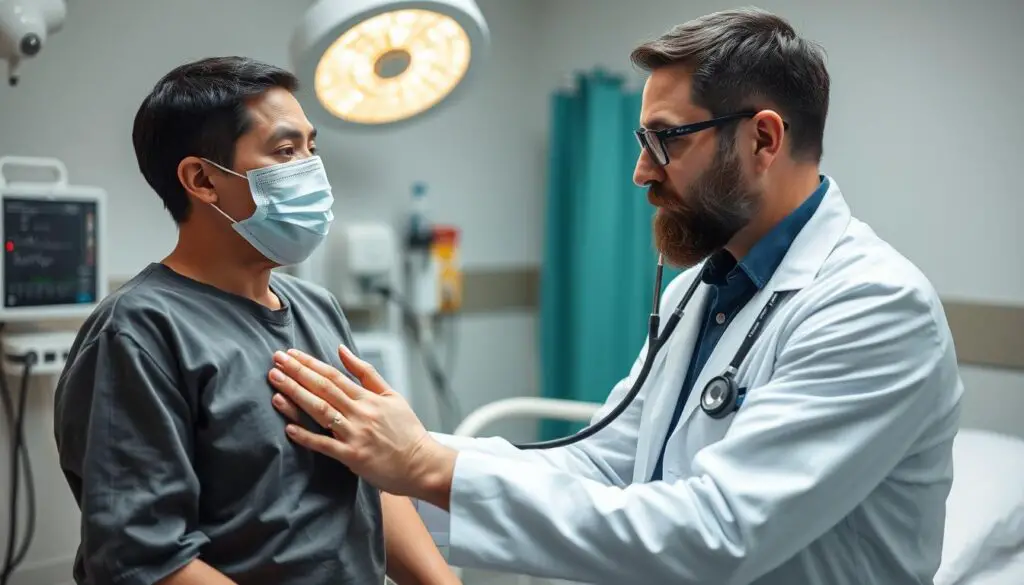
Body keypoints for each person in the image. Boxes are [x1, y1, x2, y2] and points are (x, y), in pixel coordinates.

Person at [264, 8, 964, 585]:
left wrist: (424, 465)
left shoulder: (875, 307)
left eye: (665, 140)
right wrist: (394, 457)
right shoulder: (704, 289)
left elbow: (718, 533)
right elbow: (602, 460)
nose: (639, 171)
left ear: (764, 138)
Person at [52, 56, 458, 585]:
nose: (311, 169)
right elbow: (144, 561)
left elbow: (369, 485)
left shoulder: (318, 310)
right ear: (202, 179)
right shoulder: (140, 332)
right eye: (286, 151)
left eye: (312, 149)